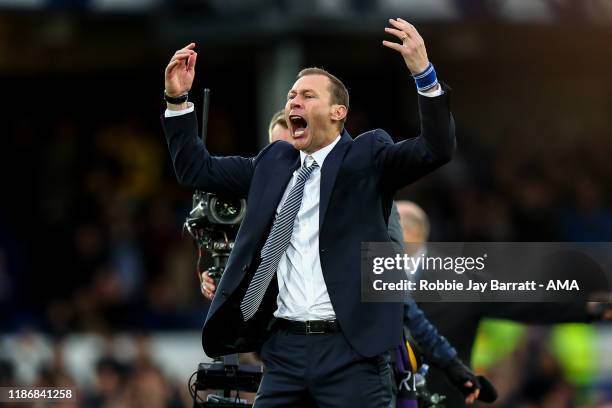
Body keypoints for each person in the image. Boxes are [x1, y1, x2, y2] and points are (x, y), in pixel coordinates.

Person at [162, 18, 461, 407]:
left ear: (338, 112)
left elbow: (436, 149)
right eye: (290, 96)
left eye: (307, 95)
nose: (293, 102)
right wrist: (176, 101)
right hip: (284, 350)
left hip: (351, 353)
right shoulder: (273, 163)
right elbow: (196, 169)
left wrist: (424, 73)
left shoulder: (367, 157)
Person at [201, 111, 483, 405]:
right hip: (286, 356)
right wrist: (217, 282)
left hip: (354, 358)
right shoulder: (266, 204)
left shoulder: (363, 198)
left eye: (291, 148)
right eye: (275, 150)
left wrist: (451, 363)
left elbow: (392, 290)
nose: (284, 158)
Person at [395, 200, 612, 408]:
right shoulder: (368, 274)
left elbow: (524, 298)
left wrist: (587, 307)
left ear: (413, 233)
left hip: (444, 399)